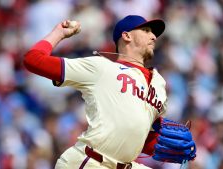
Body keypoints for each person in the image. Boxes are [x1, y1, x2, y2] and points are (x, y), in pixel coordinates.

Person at [23, 15, 195, 169]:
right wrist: (59, 33)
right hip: (91, 161)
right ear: (126, 36)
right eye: (146, 30)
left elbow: (136, 133)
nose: (153, 36)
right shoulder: (101, 68)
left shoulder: (159, 85)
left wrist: (160, 143)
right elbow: (33, 60)